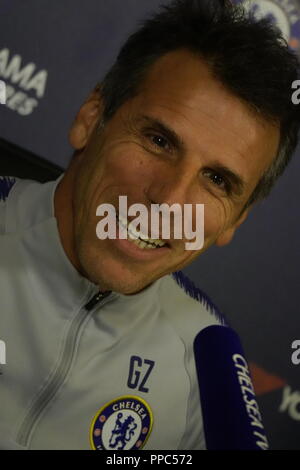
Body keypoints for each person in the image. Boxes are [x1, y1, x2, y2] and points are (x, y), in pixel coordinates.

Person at [0, 0, 299, 450]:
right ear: (90, 118)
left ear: (236, 219)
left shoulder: (208, 362)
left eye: (217, 180)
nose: (169, 200)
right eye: (159, 140)